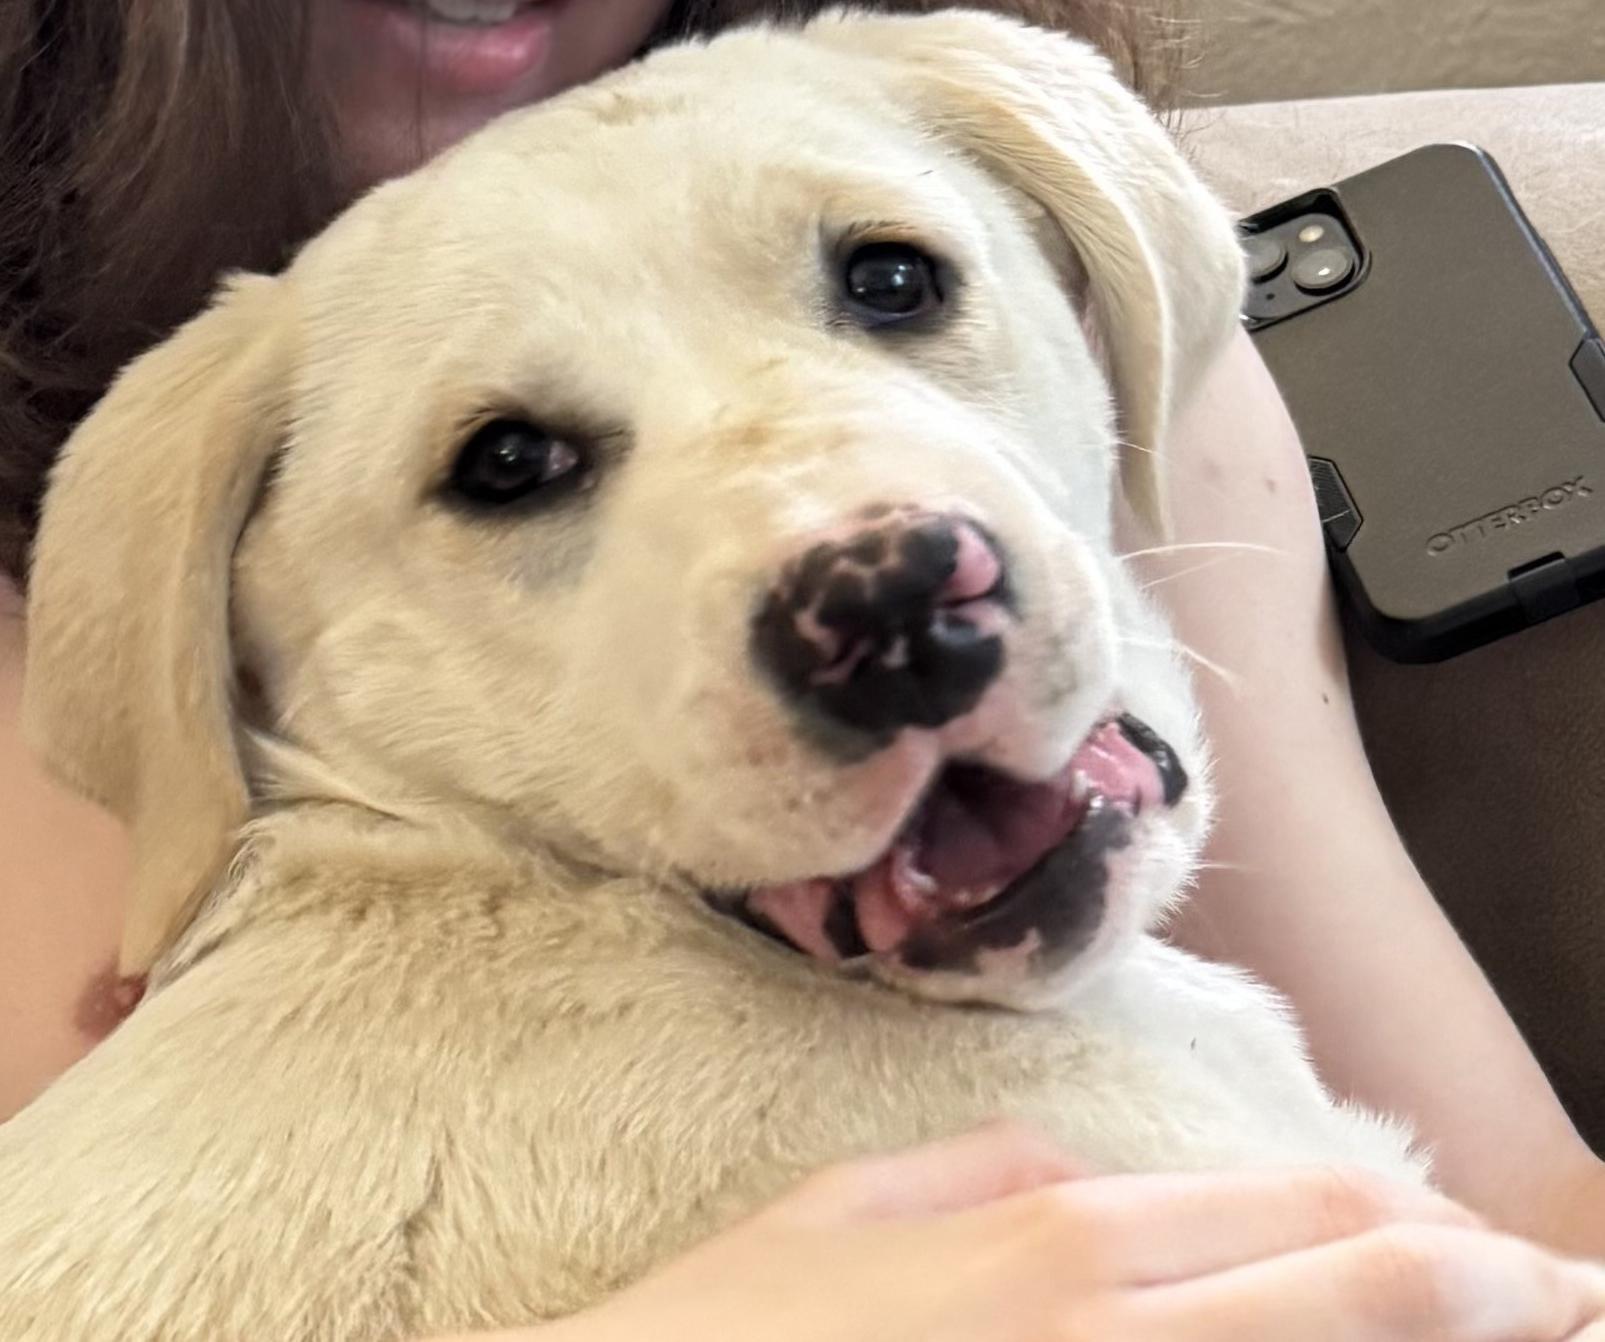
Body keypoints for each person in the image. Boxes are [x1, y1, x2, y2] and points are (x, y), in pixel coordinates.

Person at [0, 2, 1600, 1339]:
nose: (874, 575)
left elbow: (1513, 1209)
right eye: (510, 462)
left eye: (893, 286)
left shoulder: (1078, 308)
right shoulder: (196, 505)